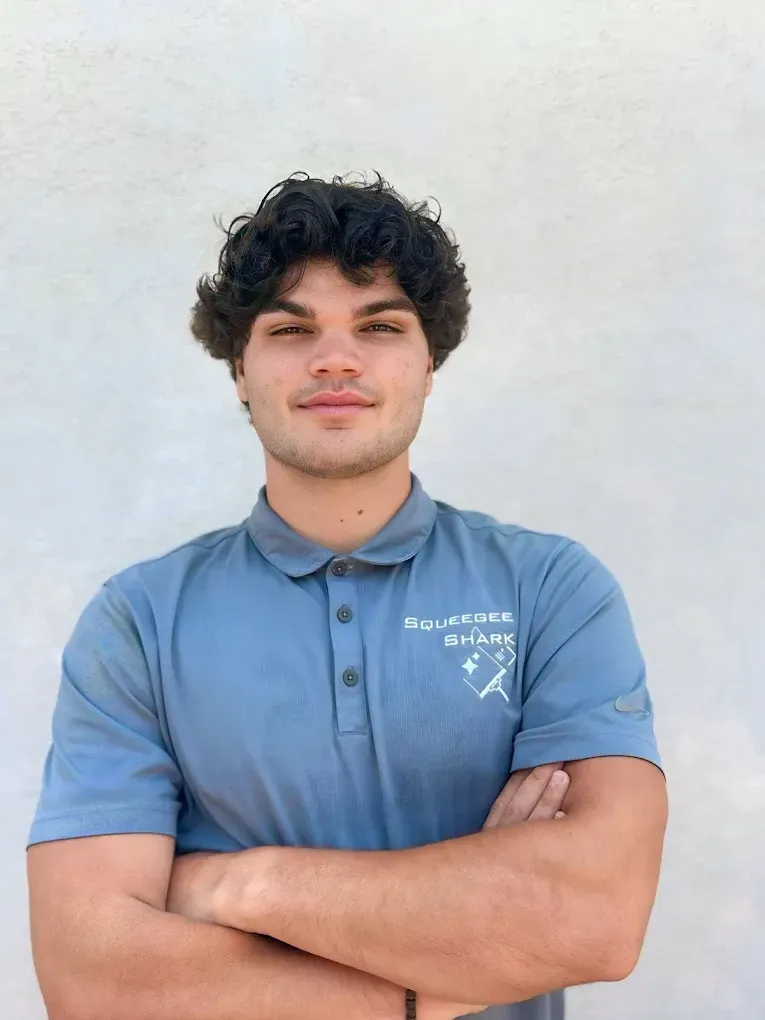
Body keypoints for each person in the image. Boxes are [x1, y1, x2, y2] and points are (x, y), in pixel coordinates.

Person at [27, 173, 667, 1020]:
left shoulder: (550, 589)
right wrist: (440, 977)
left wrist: (238, 885)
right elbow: (93, 981)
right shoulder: (138, 622)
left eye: (380, 326)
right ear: (239, 372)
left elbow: (592, 921)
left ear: (428, 364)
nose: (336, 358)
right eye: (291, 329)